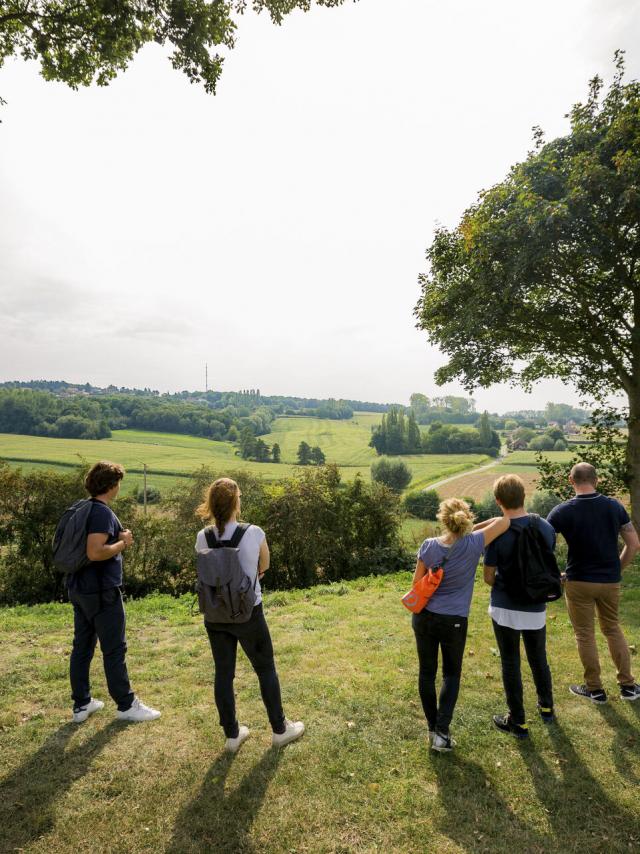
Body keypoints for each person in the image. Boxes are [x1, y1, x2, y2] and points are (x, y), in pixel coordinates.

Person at [195, 477, 304, 753]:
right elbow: (264, 562)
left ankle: (232, 735)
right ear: (236, 503)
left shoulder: (202, 536)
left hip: (215, 614)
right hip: (248, 613)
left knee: (223, 673)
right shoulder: (253, 532)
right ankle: (280, 729)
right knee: (265, 668)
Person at [412, 497, 510, 752]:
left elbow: (416, 585)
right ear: (466, 518)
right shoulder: (474, 542)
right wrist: (471, 529)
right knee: (451, 674)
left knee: (426, 673)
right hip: (454, 620)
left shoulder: (428, 545)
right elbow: (504, 521)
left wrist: (463, 529)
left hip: (424, 617)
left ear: (442, 520)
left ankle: (433, 728)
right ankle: (442, 733)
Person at [68, 460, 161, 723]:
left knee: (82, 647)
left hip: (79, 587)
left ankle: (82, 704)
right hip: (101, 591)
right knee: (114, 649)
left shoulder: (82, 508)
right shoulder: (101, 512)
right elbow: (95, 551)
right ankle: (126, 705)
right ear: (111, 485)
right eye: (118, 482)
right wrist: (122, 542)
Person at [547, 462, 640, 703]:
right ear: (596, 480)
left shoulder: (561, 511)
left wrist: (555, 572)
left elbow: (541, 544)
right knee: (612, 628)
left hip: (578, 581)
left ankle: (595, 690)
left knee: (584, 634)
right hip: (609, 581)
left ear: (571, 480)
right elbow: (634, 544)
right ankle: (628, 686)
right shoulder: (614, 506)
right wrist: (616, 569)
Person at [483, 474, 556, 738]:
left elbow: (488, 576)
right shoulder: (544, 527)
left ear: (498, 501)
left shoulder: (498, 532)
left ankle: (519, 722)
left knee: (510, 662)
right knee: (539, 658)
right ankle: (547, 708)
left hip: (505, 606)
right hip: (536, 605)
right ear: (524, 496)